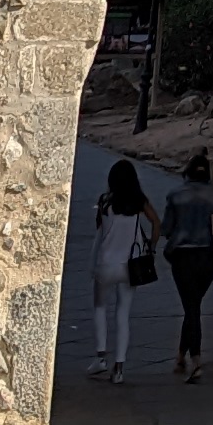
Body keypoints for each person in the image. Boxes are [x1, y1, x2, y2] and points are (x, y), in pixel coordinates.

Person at [158, 147, 213, 383]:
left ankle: (196, 360)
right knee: (194, 304)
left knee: (191, 307)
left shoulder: (174, 195)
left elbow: (167, 229)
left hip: (182, 256)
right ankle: (181, 356)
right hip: (210, 257)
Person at [85, 159, 155, 385]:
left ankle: (101, 357)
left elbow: (99, 231)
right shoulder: (138, 202)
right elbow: (156, 222)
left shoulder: (104, 201)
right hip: (130, 265)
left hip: (106, 263)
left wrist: (92, 264)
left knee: (99, 307)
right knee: (123, 313)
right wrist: (151, 248)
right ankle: (120, 368)